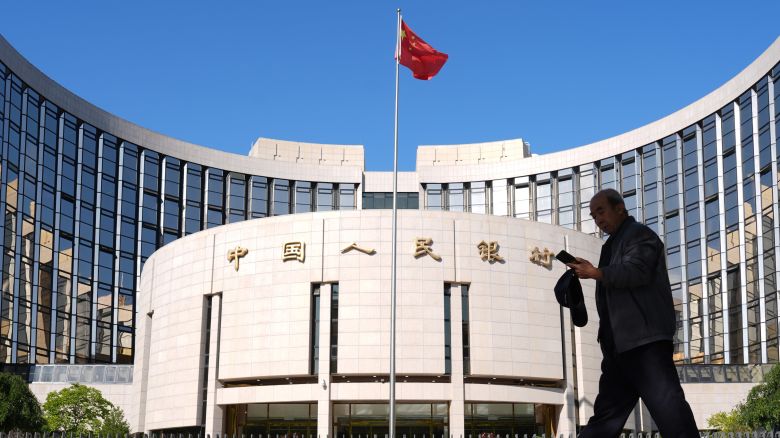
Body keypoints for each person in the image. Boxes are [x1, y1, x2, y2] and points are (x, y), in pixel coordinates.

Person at [566, 188, 699, 438]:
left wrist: (596, 273)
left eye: (601, 211)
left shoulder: (640, 235)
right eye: (593, 216)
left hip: (644, 343)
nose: (598, 220)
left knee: (670, 411)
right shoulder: (610, 246)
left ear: (620, 208)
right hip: (619, 348)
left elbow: (637, 271)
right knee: (605, 418)